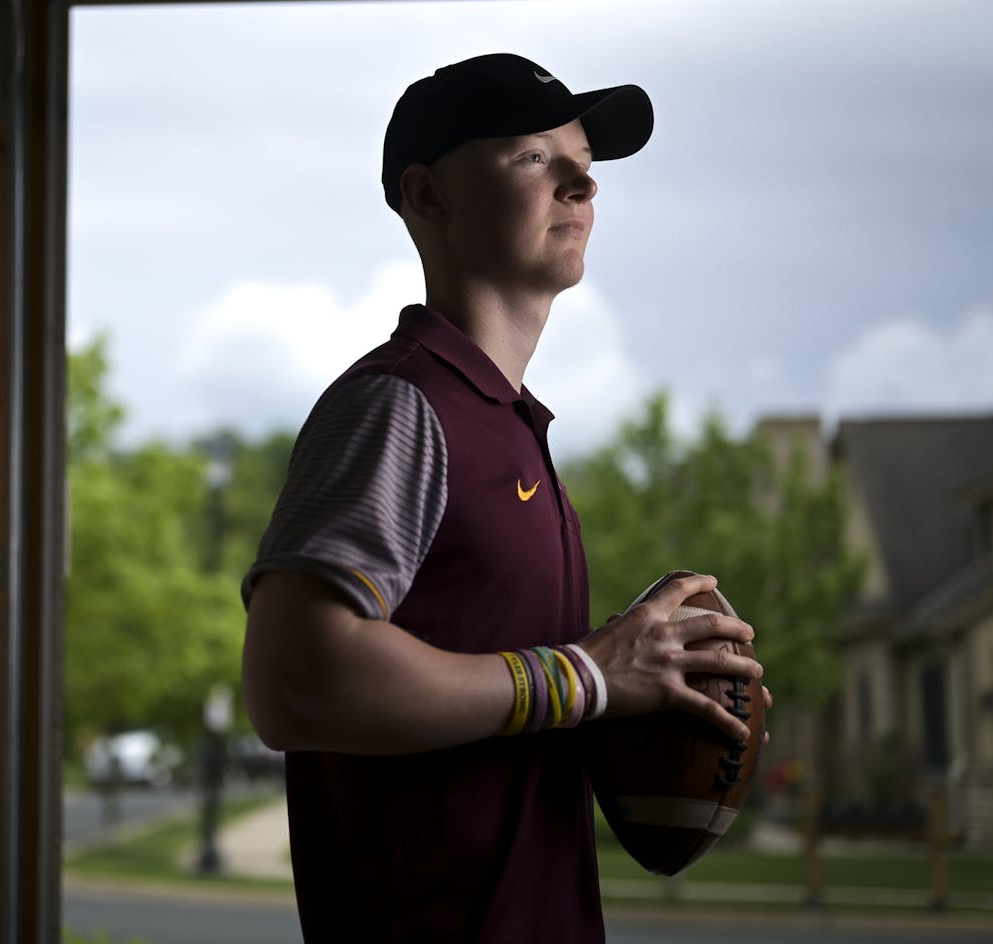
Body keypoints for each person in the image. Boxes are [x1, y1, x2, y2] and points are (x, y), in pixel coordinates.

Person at [240, 52, 765, 942]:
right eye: (533, 158)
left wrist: (641, 690)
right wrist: (590, 675)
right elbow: (295, 682)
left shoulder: (510, 427)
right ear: (427, 195)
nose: (581, 182)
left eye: (584, 165)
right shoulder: (402, 406)